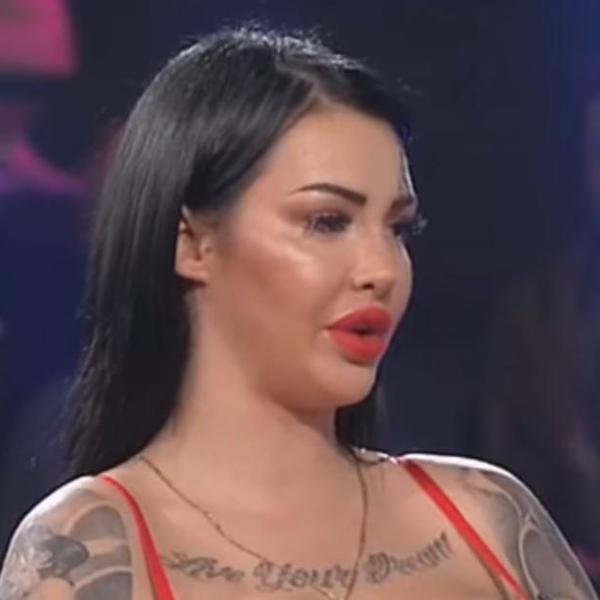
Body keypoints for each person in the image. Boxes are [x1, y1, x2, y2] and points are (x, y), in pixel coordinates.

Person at [0, 26, 596, 599]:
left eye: (397, 228)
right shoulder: (89, 548)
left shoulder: (486, 517)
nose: (382, 270)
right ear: (192, 243)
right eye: (327, 221)